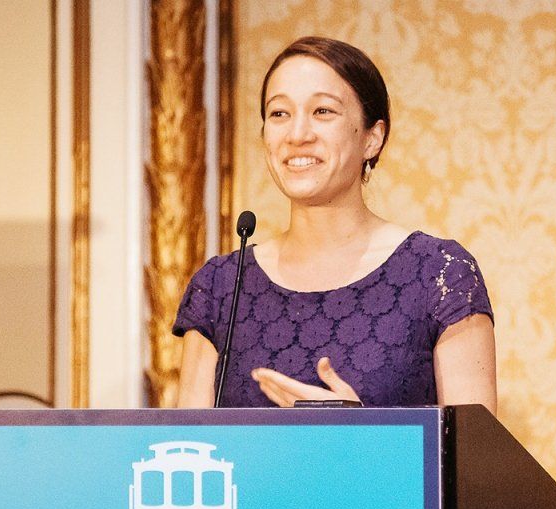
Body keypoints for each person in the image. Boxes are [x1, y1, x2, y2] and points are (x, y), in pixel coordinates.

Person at [174, 36, 496, 412]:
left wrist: (355, 435)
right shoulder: (220, 287)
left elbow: (473, 466)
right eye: (279, 114)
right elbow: (192, 450)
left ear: (373, 138)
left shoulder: (441, 274)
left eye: (323, 112)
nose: (297, 135)